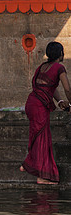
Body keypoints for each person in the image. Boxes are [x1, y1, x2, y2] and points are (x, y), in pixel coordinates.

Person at [20, 41, 71, 185]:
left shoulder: (41, 67)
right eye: (63, 52)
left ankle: (27, 165)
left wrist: (60, 101)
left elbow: (50, 86)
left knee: (38, 136)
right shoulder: (59, 68)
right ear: (60, 54)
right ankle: (41, 176)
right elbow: (67, 89)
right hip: (39, 106)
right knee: (42, 139)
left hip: (31, 103)